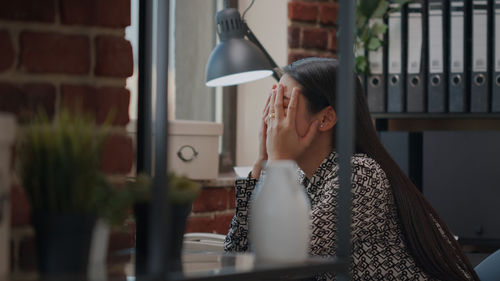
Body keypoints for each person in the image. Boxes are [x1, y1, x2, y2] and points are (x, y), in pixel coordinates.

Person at [224, 57, 479, 281]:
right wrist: (260, 165)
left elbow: (280, 268)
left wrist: (278, 159)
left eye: (284, 104)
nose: (272, 116)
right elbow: (234, 258)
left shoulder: (360, 175)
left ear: (325, 119)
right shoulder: (299, 179)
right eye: (272, 104)